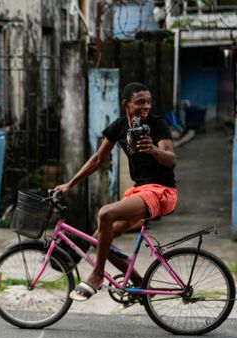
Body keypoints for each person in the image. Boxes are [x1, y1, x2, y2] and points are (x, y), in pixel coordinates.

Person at [54, 82, 177, 301]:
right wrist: (69, 184)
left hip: (160, 191)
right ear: (126, 104)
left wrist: (154, 150)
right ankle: (140, 288)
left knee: (105, 213)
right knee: (99, 239)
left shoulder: (158, 124)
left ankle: (97, 274)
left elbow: (171, 159)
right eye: (140, 102)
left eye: (148, 102)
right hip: (139, 192)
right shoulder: (120, 126)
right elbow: (98, 159)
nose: (146, 106)